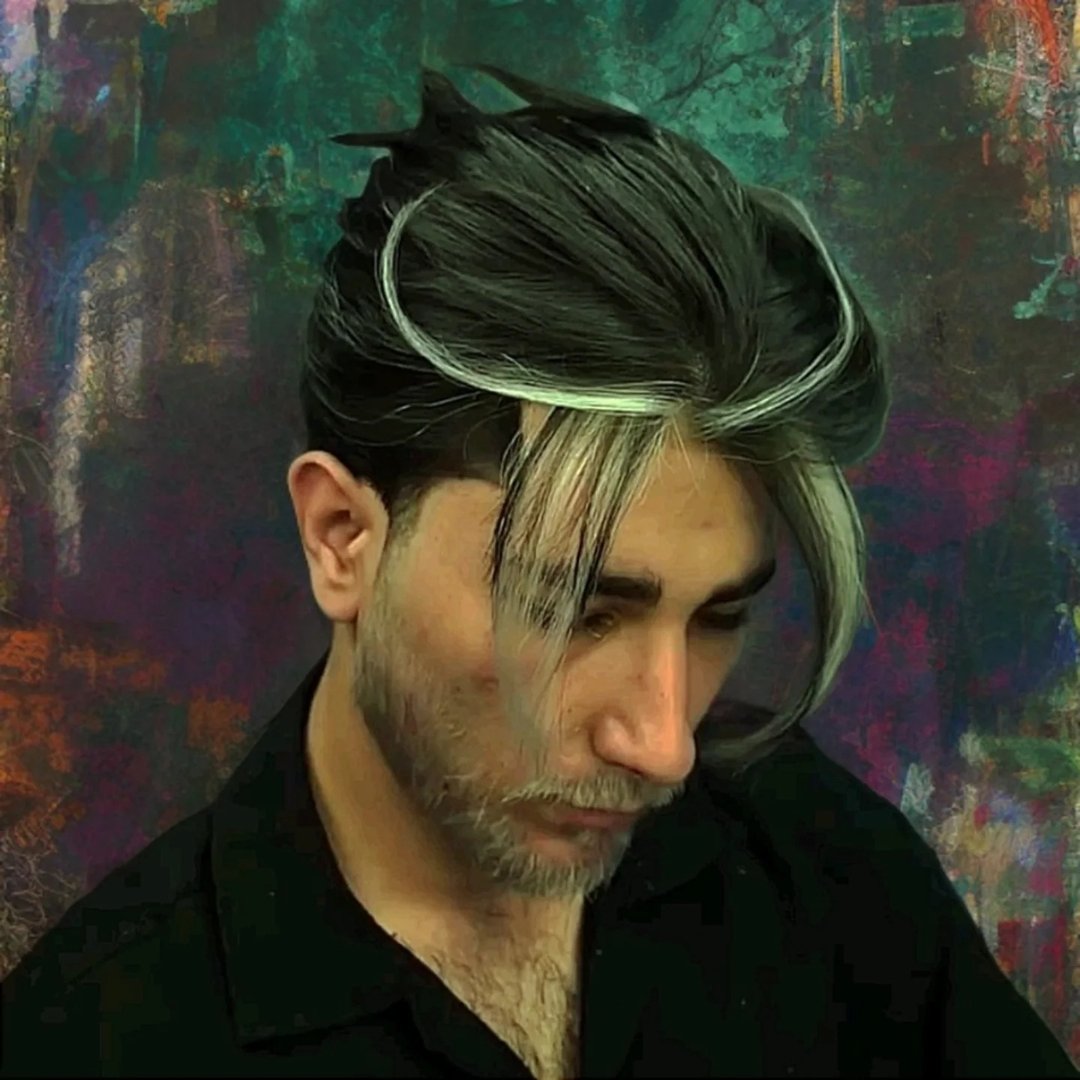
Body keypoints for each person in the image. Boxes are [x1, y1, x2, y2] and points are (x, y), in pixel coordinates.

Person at [2, 63, 1076, 1080]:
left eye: (717, 619)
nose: (663, 745)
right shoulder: (105, 1038)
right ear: (342, 537)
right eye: (576, 611)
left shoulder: (815, 860)